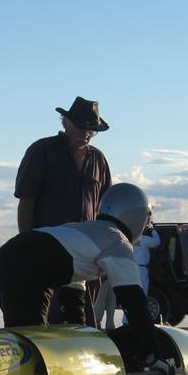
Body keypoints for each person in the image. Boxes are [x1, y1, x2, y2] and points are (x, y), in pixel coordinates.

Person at [0, 183, 171, 375]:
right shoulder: (117, 241)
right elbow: (134, 302)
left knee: (23, 337)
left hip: (7, 257)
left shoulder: (87, 233)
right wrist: (152, 354)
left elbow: (73, 298)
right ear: (138, 218)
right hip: (27, 264)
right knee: (31, 343)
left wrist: (78, 342)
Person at [14, 96, 112, 324]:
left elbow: (106, 209)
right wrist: (26, 244)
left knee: (84, 322)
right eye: (81, 126)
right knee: (48, 320)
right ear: (66, 122)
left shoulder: (98, 159)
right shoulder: (42, 151)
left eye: (91, 130)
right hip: (49, 252)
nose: (86, 133)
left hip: (87, 256)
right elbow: (26, 201)